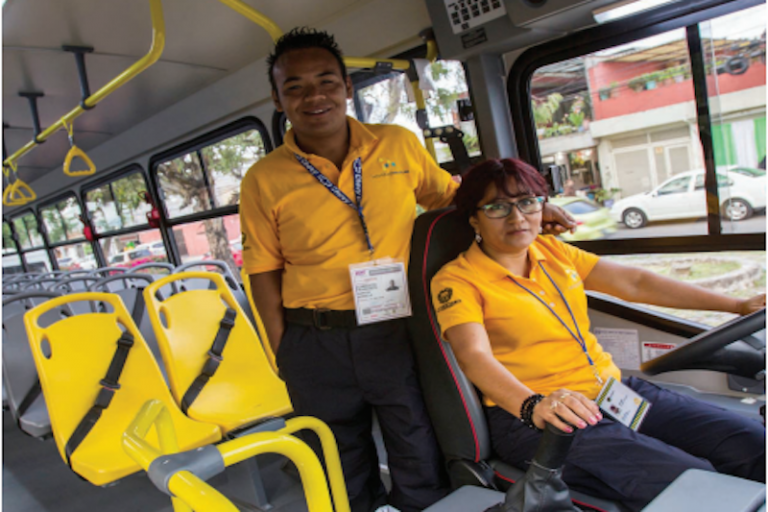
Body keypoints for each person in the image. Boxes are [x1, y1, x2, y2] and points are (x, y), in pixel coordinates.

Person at [239, 28, 576, 512]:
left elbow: (457, 199)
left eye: (327, 81)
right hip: (314, 337)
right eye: (295, 86)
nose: (314, 96)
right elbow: (263, 271)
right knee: (337, 459)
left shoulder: (397, 145)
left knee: (415, 444)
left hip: (394, 325)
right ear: (277, 97)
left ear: (347, 88)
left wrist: (526, 213)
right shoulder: (263, 179)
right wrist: (281, 351)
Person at [430, 158, 766, 512]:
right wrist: (534, 405)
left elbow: (635, 282)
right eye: (497, 207)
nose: (517, 218)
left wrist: (737, 305)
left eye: (527, 202)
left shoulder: (552, 251)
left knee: (753, 444)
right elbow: (473, 355)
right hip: (541, 418)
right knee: (697, 486)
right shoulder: (457, 280)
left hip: (613, 393)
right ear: (474, 219)